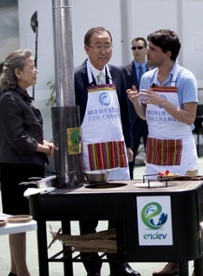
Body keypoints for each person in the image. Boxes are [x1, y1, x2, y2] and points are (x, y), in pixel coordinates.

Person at [126, 29, 203, 276]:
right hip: (155, 148)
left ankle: (201, 262)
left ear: (167, 53)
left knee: (188, 208)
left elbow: (189, 117)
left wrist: (164, 102)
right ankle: (173, 262)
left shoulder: (185, 78)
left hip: (181, 149)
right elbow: (145, 115)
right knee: (159, 206)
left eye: (151, 49)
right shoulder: (146, 78)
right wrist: (135, 103)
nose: (146, 53)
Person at [74, 27, 139, 276]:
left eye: (108, 45)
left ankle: (118, 263)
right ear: (87, 49)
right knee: (89, 214)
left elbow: (125, 113)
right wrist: (74, 155)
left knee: (119, 212)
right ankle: (92, 268)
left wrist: (130, 145)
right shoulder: (78, 76)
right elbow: (71, 121)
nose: (104, 51)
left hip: (116, 152)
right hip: (90, 154)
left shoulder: (119, 74)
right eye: (98, 45)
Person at [0, 49, 56, 276]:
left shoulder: (20, 96)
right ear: (18, 72)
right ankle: (22, 273)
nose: (35, 70)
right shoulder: (9, 99)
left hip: (27, 166)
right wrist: (44, 148)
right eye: (31, 66)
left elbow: (29, 134)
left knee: (21, 221)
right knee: (18, 221)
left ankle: (15, 271)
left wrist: (44, 144)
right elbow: (18, 139)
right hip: (16, 169)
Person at [121, 37, 149, 179]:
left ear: (146, 49)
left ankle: (154, 179)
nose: (136, 51)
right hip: (132, 120)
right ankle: (129, 182)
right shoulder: (124, 71)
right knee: (130, 153)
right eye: (134, 48)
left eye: (139, 47)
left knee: (152, 153)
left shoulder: (154, 71)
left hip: (150, 118)